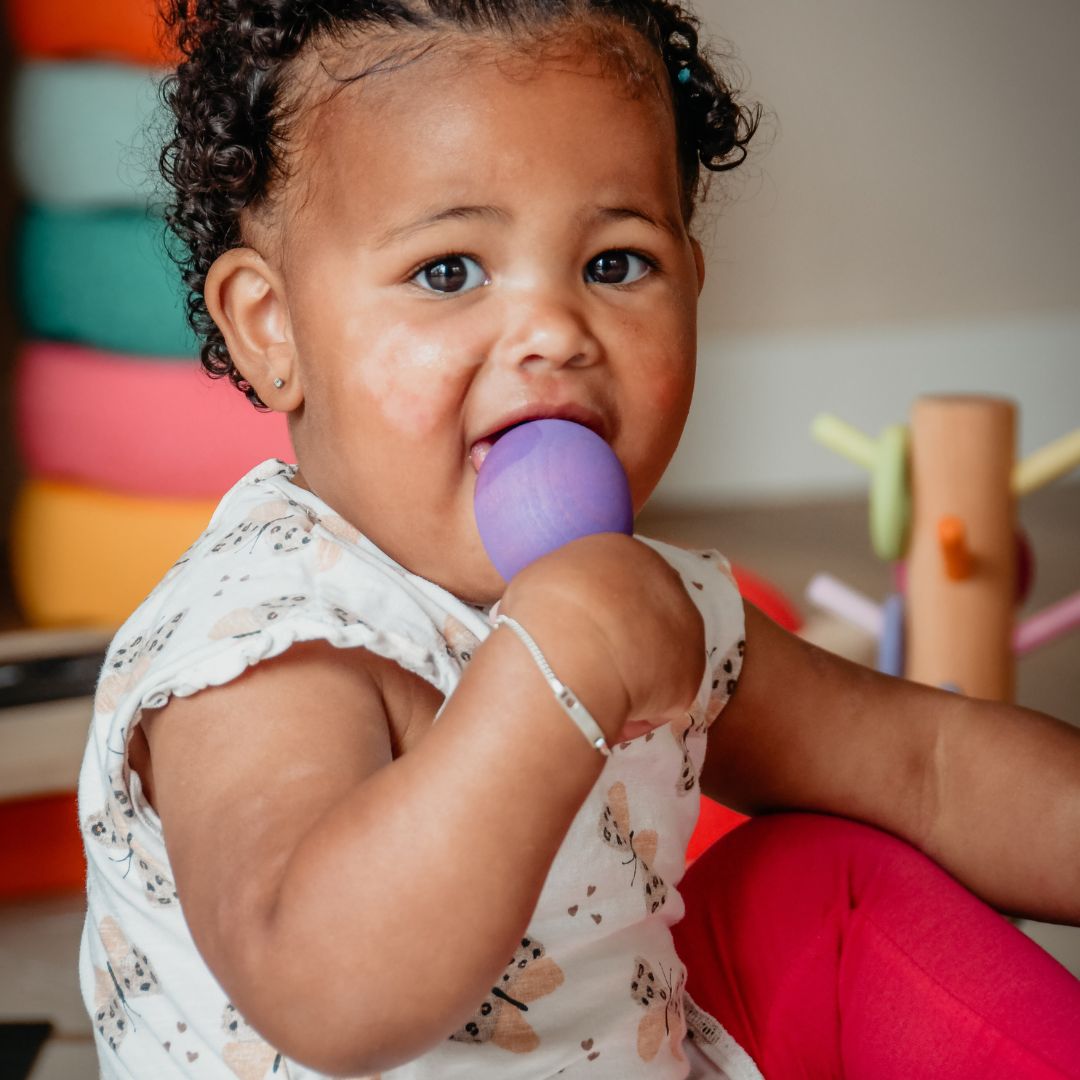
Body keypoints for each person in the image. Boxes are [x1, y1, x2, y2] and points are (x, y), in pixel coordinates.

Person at [78, 2, 1080, 1077]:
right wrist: (555, 671)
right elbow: (320, 990)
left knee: (820, 877)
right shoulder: (264, 642)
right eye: (449, 270)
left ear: (693, 288)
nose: (555, 330)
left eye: (615, 264)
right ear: (274, 329)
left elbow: (925, 766)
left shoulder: (641, 602)